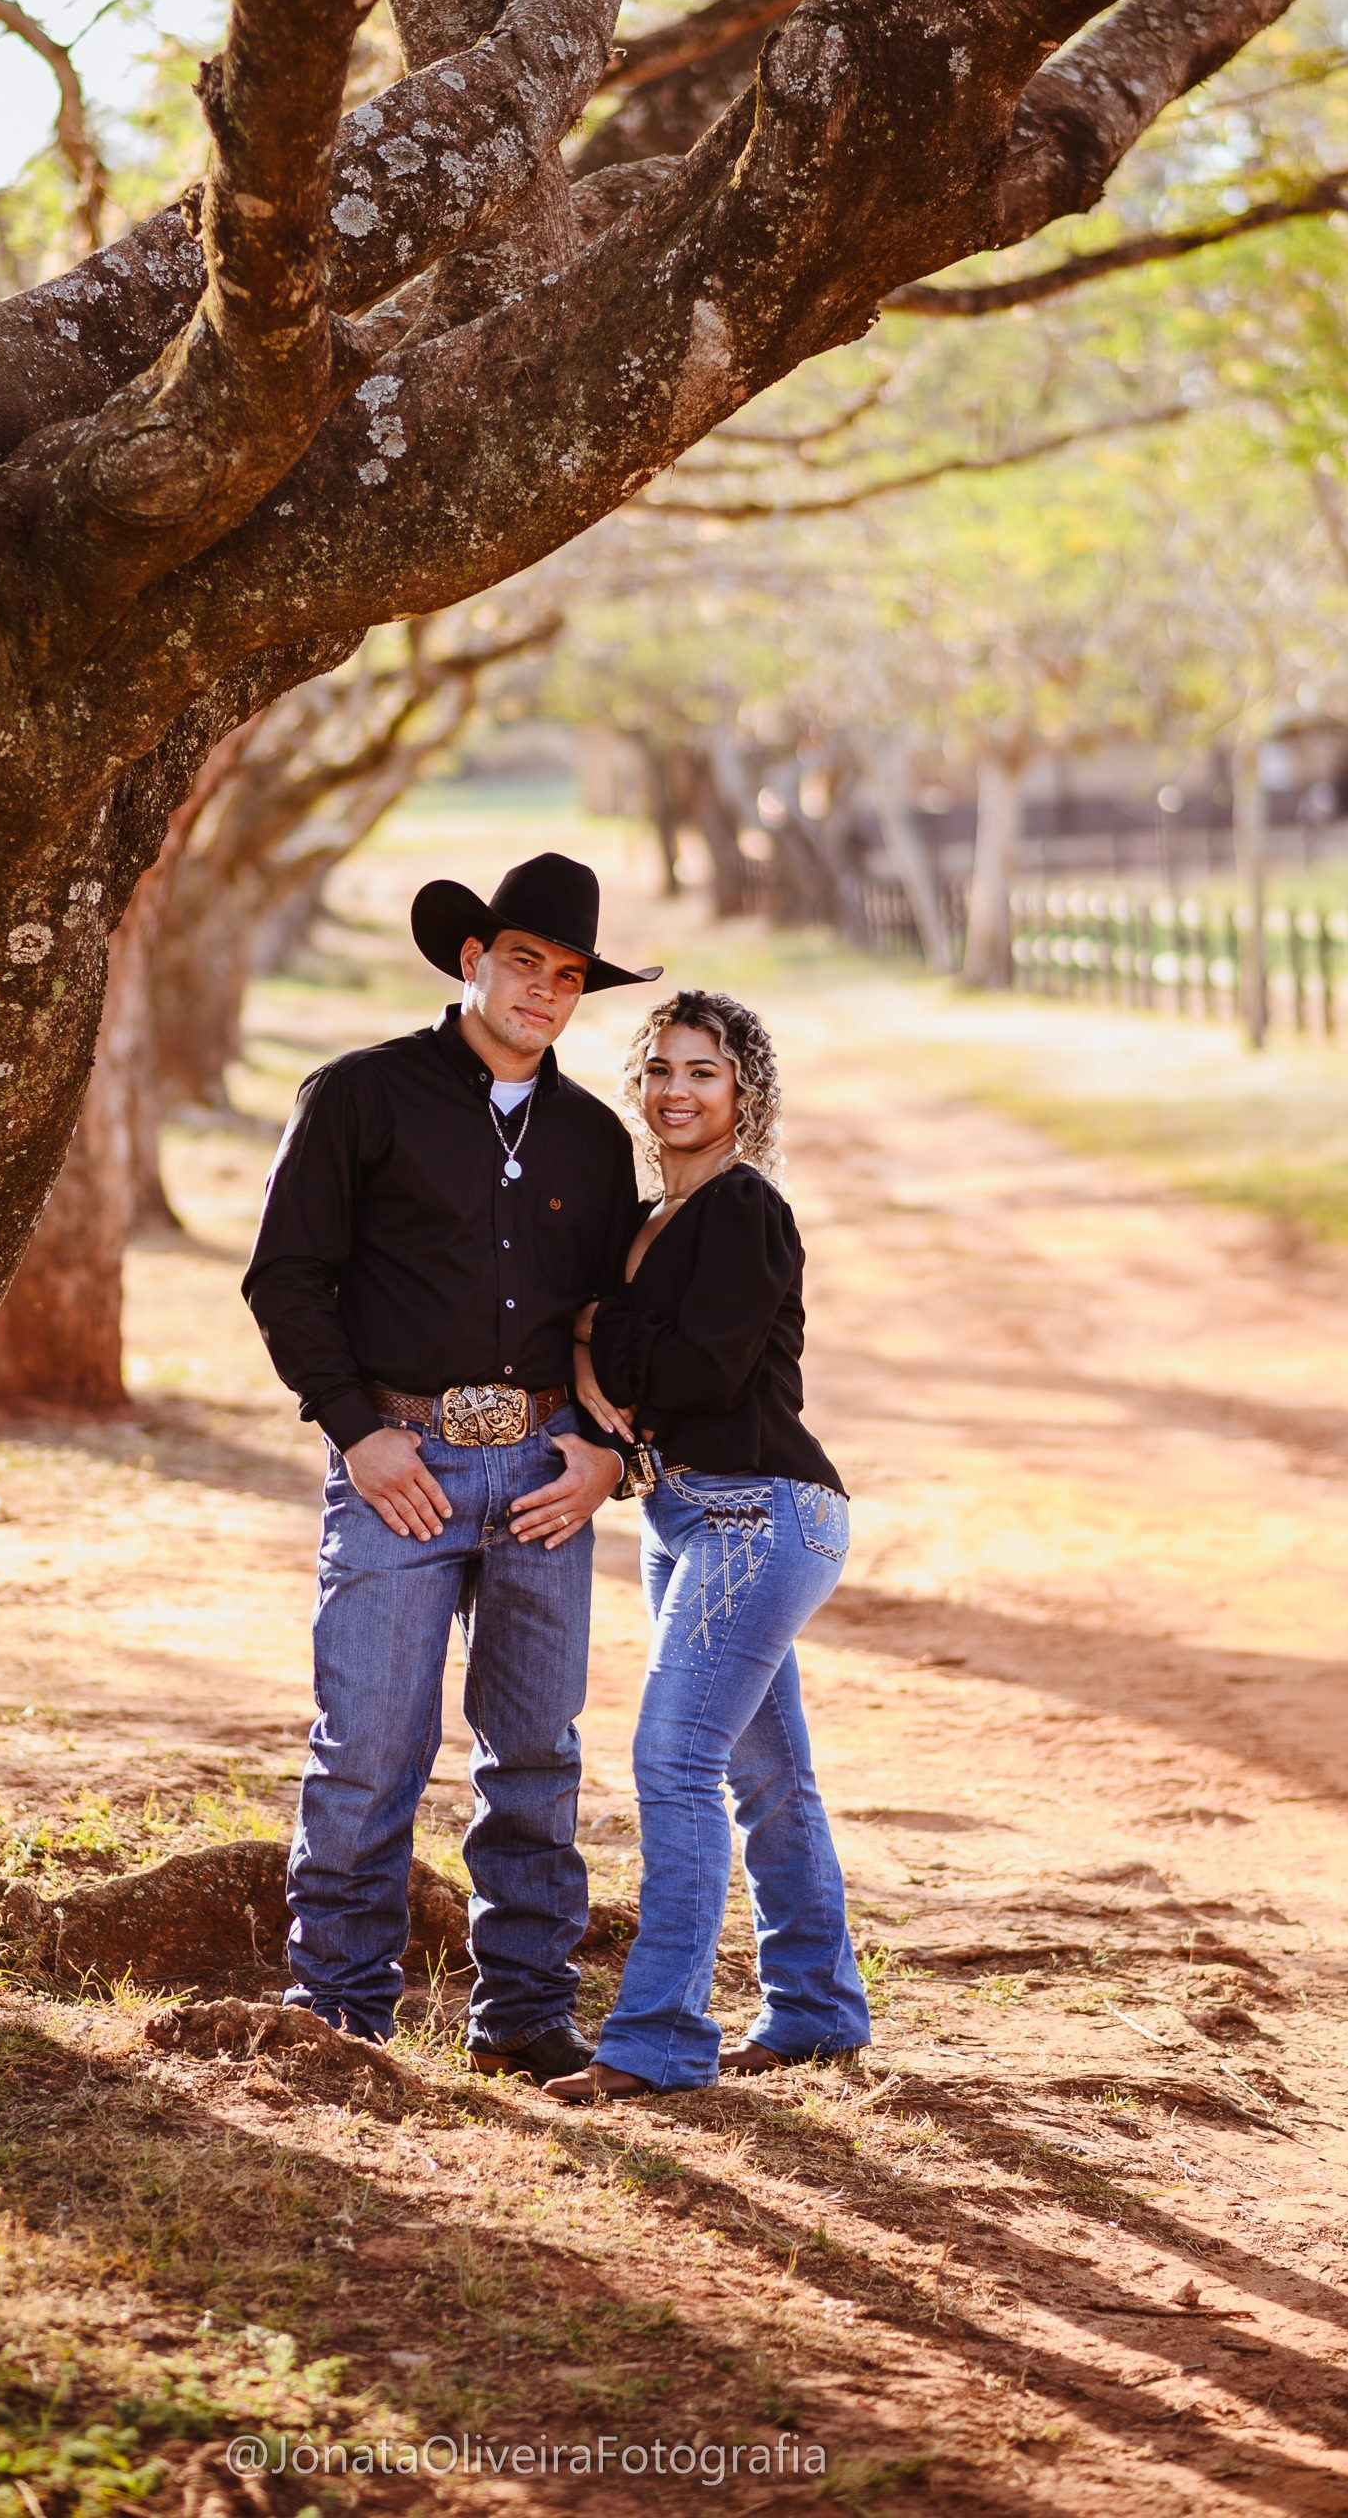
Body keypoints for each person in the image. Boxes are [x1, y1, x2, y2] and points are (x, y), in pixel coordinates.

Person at [243, 852, 660, 2079]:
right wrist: (356, 1433)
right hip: (399, 1463)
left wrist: (601, 1456)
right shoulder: (358, 1097)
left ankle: (525, 2018)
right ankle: (335, 2015)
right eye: (523, 961)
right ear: (472, 961)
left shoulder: (590, 1139)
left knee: (534, 1751)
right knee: (369, 1741)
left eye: (568, 975)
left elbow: (610, 1320)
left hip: (542, 1475)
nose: (542, 990)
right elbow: (286, 1277)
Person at [547, 988, 871, 2101]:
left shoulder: (744, 1210)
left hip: (762, 1512)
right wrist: (602, 1342)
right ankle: (818, 2012)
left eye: (702, 1072)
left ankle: (657, 2043)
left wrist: (595, 1330)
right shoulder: (643, 1217)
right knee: (766, 1775)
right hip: (682, 1514)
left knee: (673, 1760)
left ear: (744, 1091)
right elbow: (633, 1366)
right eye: (659, 1070)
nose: (675, 1092)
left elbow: (698, 1374)